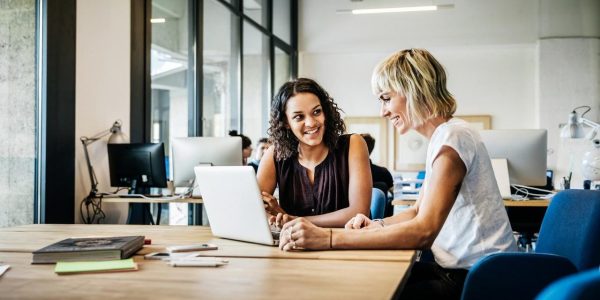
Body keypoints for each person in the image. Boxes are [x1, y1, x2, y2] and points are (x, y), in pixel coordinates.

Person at [277, 49, 517, 300]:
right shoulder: (444, 137)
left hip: (478, 279)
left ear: (414, 90)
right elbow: (415, 212)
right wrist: (375, 225)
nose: (382, 111)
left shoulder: (453, 140)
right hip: (457, 270)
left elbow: (424, 232)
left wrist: (328, 238)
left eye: (386, 98)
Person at [257, 78, 372, 228]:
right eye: (299, 117)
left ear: (325, 112)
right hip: (292, 248)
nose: (311, 123)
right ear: (286, 122)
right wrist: (274, 216)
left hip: (345, 246)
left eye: (316, 112)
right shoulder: (275, 155)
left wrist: (291, 220)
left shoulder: (353, 144)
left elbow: (358, 212)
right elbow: (255, 209)